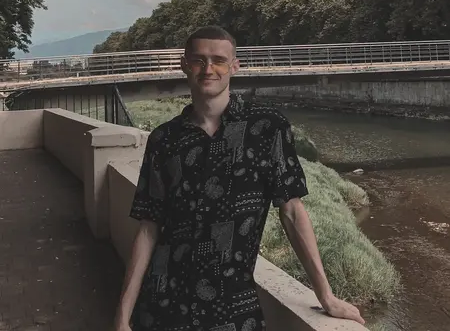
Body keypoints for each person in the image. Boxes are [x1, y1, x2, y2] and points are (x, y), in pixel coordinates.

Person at [113, 26, 365, 331]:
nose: (208, 69)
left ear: (234, 66)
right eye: (199, 60)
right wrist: (122, 316)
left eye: (219, 60)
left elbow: (292, 212)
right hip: (161, 308)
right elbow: (148, 228)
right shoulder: (163, 139)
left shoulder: (267, 128)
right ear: (184, 65)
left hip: (233, 309)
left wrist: (325, 295)